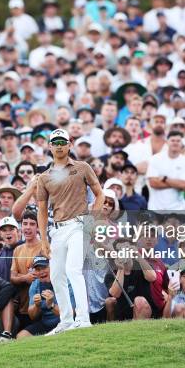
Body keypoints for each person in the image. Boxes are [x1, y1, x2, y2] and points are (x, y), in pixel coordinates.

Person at [36, 129, 104, 334]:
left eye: (62, 142)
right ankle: (66, 320)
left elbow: (100, 195)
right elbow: (41, 210)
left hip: (79, 225)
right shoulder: (44, 177)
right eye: (54, 142)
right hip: (56, 230)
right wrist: (43, 240)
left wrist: (92, 221)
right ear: (49, 146)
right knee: (57, 276)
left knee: (73, 269)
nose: (58, 145)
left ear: (69, 144)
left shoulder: (82, 167)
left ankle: (83, 319)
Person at [17, 256, 63, 338]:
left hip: (64, 322)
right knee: (21, 336)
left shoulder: (63, 280)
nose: (41, 272)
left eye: (44, 267)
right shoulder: (35, 285)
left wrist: (52, 305)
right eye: (38, 269)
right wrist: (36, 306)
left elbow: (72, 313)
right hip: (46, 324)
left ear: (51, 267)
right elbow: (32, 316)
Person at [146, 131, 185, 211]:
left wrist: (165, 179)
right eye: (172, 140)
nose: (175, 143)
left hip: (178, 209)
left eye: (178, 141)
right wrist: (176, 184)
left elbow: (183, 185)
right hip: (155, 208)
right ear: (167, 142)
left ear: (182, 144)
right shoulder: (155, 159)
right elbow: (153, 183)